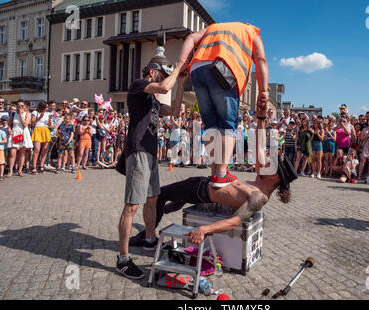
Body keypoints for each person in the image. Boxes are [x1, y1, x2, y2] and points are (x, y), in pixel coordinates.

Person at [130, 105, 297, 247]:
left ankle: (148, 237)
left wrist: (205, 229)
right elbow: (260, 145)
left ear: (276, 177)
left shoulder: (259, 197)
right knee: (171, 199)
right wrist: (260, 117)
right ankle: (168, 209)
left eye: (271, 165)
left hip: (198, 191)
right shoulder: (262, 179)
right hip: (202, 185)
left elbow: (235, 221)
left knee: (159, 195)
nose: (266, 163)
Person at [115, 54, 188, 280]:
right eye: (162, 74)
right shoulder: (139, 85)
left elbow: (175, 112)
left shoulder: (153, 100)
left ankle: (149, 239)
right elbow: (165, 87)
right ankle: (123, 258)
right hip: (138, 150)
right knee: (132, 205)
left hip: (150, 153)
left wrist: (182, 82)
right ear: (152, 72)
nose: (164, 79)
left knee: (153, 198)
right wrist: (177, 69)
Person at [178, 22, 269, 188]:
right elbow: (261, 59)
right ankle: (221, 174)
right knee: (228, 124)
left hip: (197, 68)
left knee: (212, 125)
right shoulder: (251, 32)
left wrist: (182, 64)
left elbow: (190, 38)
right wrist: (263, 91)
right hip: (222, 68)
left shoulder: (213, 28)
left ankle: (214, 172)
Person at [6, 101, 33, 178]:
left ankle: (20, 170)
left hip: (23, 133)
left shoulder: (28, 114)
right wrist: (9, 129)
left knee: (22, 153)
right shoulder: (13, 114)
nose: (20, 107)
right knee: (12, 153)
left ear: (25, 106)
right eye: (19, 105)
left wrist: (21, 115)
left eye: (22, 105)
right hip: (14, 133)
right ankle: (10, 171)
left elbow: (25, 124)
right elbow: (9, 124)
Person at [31, 101, 53, 174]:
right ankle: (34, 167)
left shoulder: (48, 113)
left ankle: (41, 166)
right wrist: (40, 117)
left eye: (47, 107)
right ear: (41, 107)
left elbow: (49, 124)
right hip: (37, 129)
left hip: (45, 130)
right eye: (45, 107)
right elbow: (32, 122)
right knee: (37, 149)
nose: (47, 108)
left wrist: (49, 119)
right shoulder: (35, 112)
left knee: (45, 150)